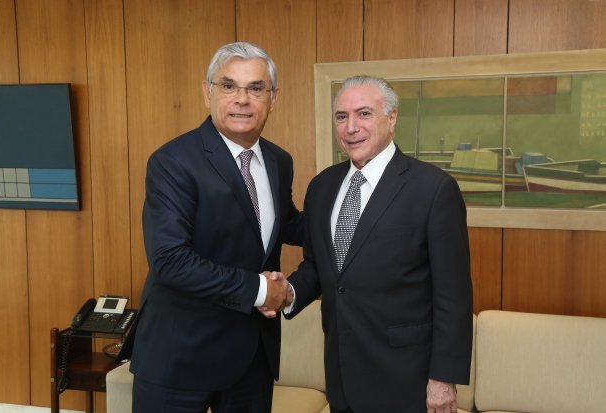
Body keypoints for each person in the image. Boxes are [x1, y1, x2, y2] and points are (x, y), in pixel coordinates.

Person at [118, 41, 302, 413]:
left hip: (252, 359)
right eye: (229, 86)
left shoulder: (279, 161)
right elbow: (170, 261)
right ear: (207, 92)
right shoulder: (173, 161)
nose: (242, 99)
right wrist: (260, 290)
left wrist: (355, 209)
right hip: (180, 357)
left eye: (256, 88)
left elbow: (283, 225)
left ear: (273, 98)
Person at [276, 75, 473, 413]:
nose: (351, 127)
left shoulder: (433, 189)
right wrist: (288, 293)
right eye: (341, 116)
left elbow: (453, 294)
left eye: (364, 113)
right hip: (341, 374)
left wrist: (443, 378)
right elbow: (320, 265)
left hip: (406, 378)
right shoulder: (322, 187)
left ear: (391, 118)